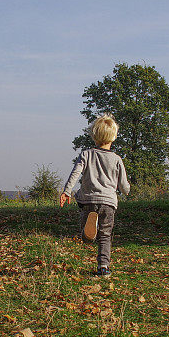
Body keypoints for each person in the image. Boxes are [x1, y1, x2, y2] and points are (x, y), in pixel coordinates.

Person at [60, 114, 130, 275]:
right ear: (113, 137)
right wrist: (126, 190)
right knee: (105, 235)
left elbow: (75, 173)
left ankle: (88, 234)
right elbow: (123, 185)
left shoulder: (86, 154)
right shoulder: (117, 159)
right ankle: (103, 267)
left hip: (88, 200)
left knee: (87, 235)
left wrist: (67, 191)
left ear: (94, 135)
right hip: (108, 203)